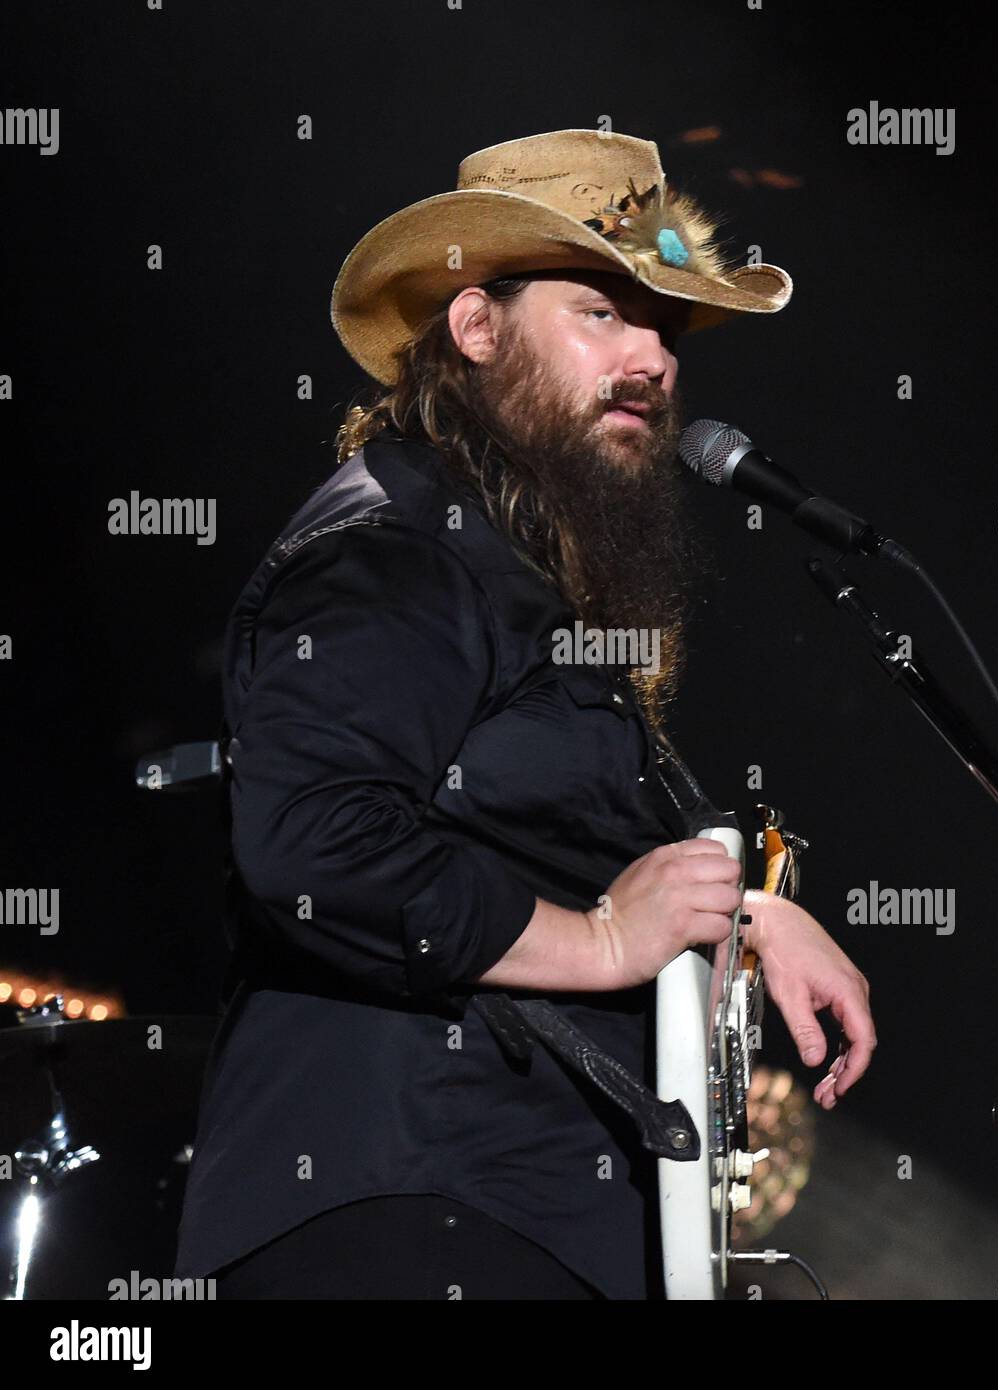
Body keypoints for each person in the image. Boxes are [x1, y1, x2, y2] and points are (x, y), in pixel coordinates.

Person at [172, 128, 877, 1300]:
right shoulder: (392, 546)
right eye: (602, 310)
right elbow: (311, 840)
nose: (653, 356)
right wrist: (604, 940)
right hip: (406, 1209)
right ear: (475, 327)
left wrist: (736, 915)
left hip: (524, 1215)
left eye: (666, 324)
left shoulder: (513, 573)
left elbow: (540, 827)